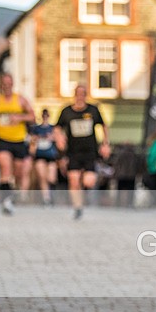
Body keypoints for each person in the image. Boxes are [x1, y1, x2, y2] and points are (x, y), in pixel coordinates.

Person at [55, 84, 111, 220]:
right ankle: (78, 207)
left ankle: (82, 195)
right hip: (73, 152)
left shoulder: (93, 110)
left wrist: (105, 144)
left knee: (89, 181)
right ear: (75, 95)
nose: (80, 97)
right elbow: (57, 128)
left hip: (90, 152)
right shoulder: (66, 111)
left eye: (83, 94)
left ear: (85, 95)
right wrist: (59, 138)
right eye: (78, 94)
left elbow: (104, 126)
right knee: (73, 180)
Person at [0, 73, 35, 214]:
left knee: (18, 172)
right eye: (4, 83)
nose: (7, 86)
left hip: (19, 140)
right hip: (3, 140)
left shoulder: (20, 100)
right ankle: (6, 202)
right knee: (5, 168)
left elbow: (32, 116)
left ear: (12, 84)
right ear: (1, 84)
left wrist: (20, 117)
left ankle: (13, 193)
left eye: (9, 83)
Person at [30, 108, 58, 206]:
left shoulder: (53, 128)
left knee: (51, 178)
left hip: (51, 155)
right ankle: (46, 198)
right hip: (40, 155)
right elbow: (32, 141)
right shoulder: (36, 128)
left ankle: (51, 194)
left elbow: (59, 140)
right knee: (42, 177)